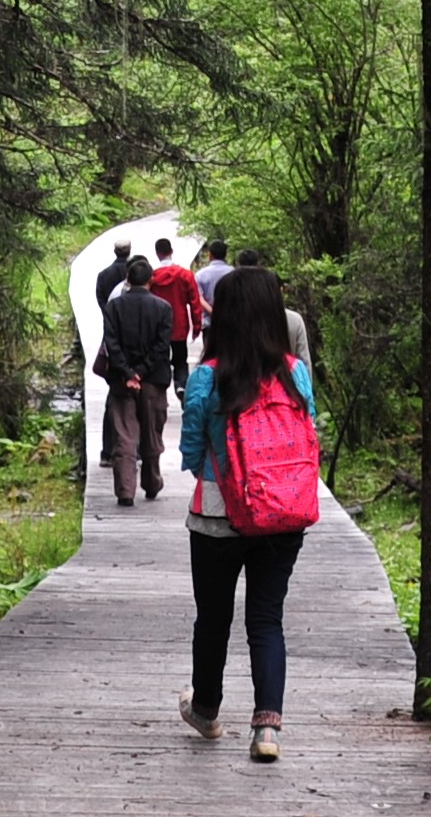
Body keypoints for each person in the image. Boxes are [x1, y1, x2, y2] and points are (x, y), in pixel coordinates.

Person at [177, 263, 317, 764]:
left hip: (218, 513)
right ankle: (267, 730)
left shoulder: (207, 377)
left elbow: (191, 448)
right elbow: (311, 428)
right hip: (284, 511)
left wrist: (210, 469)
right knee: (266, 619)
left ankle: (208, 710)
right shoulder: (294, 372)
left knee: (212, 618)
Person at [94, 255, 180, 505]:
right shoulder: (163, 308)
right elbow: (162, 347)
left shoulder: (114, 307)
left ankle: (125, 490)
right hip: (153, 381)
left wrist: (128, 373)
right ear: (151, 280)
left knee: (124, 436)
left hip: (121, 382)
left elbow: (111, 343)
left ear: (128, 279)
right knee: (152, 434)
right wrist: (142, 372)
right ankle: (151, 483)